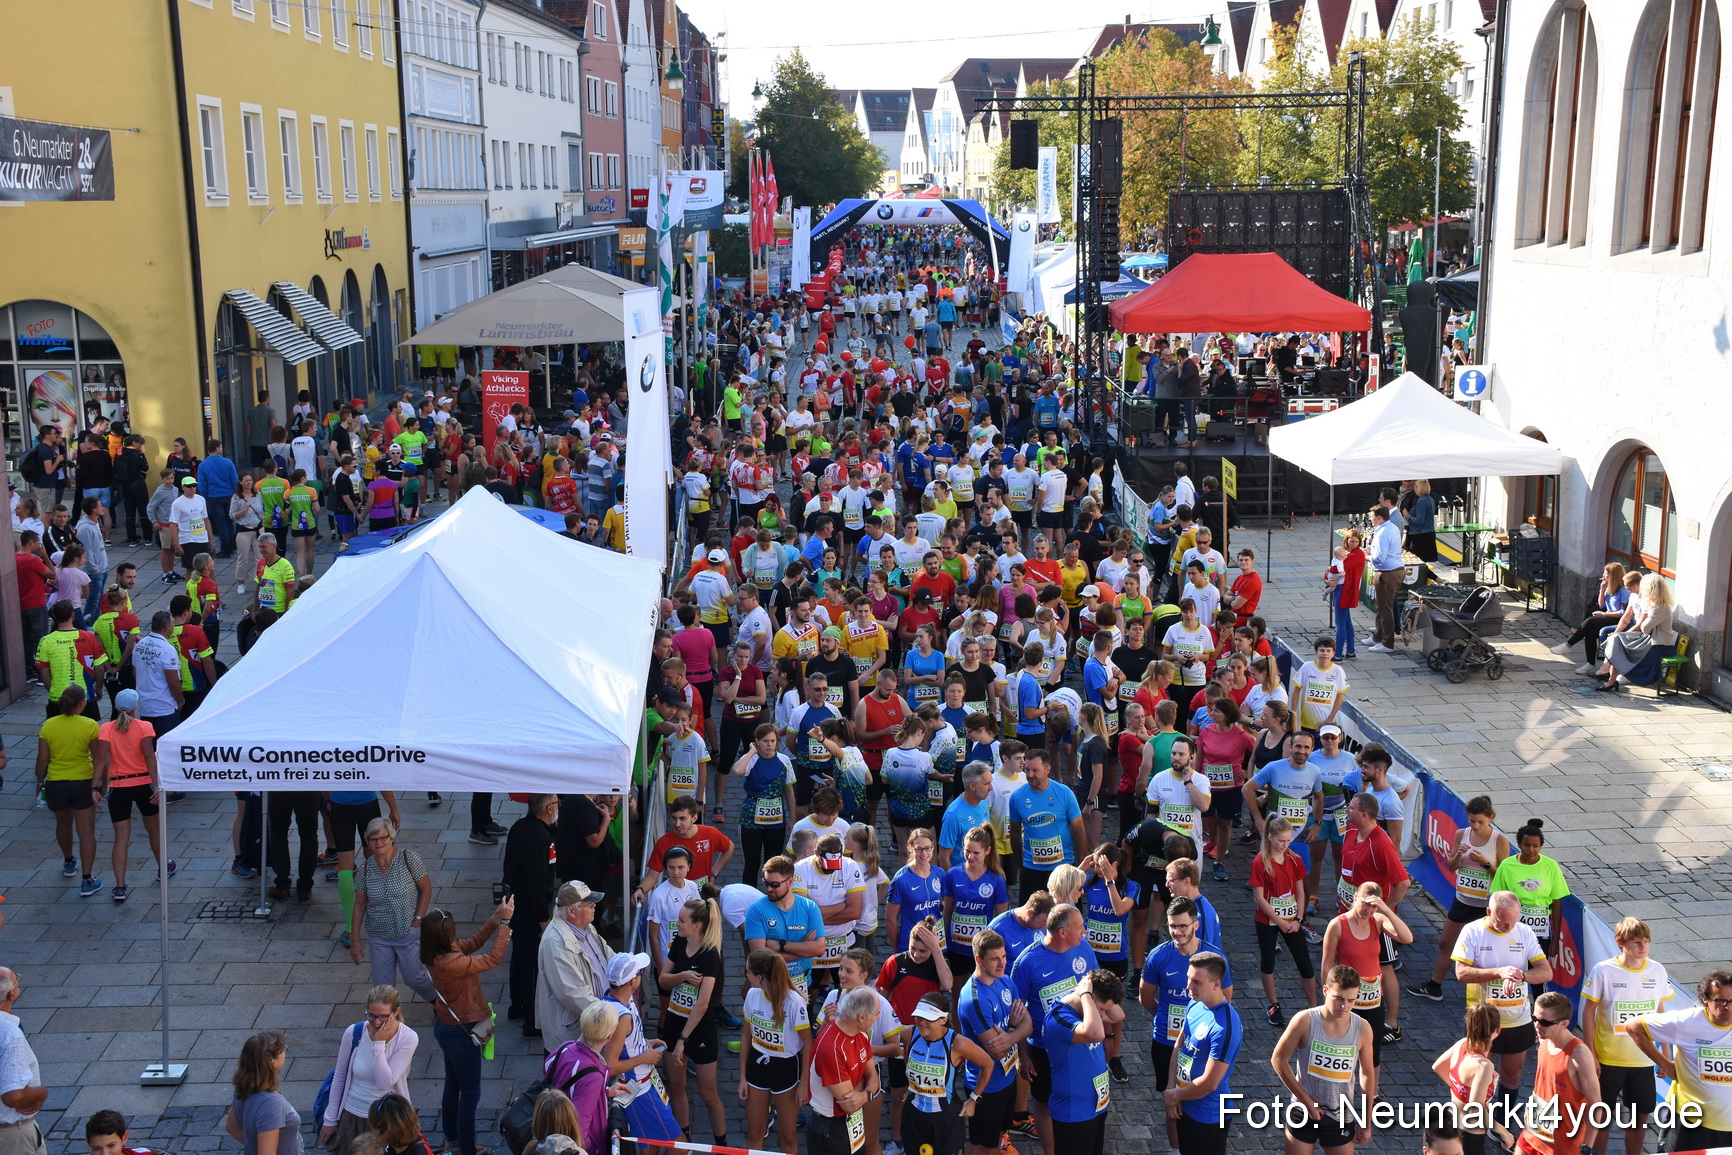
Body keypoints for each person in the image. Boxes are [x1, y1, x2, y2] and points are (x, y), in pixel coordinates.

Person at [423, 898, 514, 1155]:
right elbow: (493, 958)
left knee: (453, 1086)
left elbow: (474, 943)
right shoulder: (451, 962)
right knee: (470, 1094)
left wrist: (495, 918)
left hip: (446, 1028)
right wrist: (505, 923)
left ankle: (453, 1140)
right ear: (446, 935)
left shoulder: (437, 953)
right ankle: (465, 1148)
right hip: (460, 1033)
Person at [1451, 891, 1551, 1116]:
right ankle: (1474, 1119)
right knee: (1478, 1074)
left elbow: (1546, 972)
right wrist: (1498, 972)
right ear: (1489, 912)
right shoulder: (1472, 931)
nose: (1508, 928)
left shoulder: (1524, 932)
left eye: (1513, 921)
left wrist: (1521, 976)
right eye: (1503, 922)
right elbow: (1461, 973)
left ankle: (1502, 1120)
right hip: (1483, 1019)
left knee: (1513, 1076)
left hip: (1517, 1018)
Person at [1580, 918, 1671, 1155]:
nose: (1643, 946)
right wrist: (1590, 1051)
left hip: (1642, 1059)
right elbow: (1588, 1011)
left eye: (1647, 941)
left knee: (1640, 1116)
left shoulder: (1657, 970)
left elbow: (1661, 1013)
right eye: (1637, 942)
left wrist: (1665, 1054)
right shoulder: (1604, 970)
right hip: (1608, 1058)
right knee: (1602, 1115)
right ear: (1620, 943)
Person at [1411, 795, 1509, 1004]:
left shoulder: (1499, 840)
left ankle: (1487, 996)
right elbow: (1451, 866)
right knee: (1446, 942)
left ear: (1491, 818)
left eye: (1480, 822)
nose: (1475, 826)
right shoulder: (1461, 834)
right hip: (1463, 899)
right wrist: (1458, 856)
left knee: (1485, 951)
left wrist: (1484, 863)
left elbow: (1503, 876)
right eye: (1471, 821)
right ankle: (1434, 986)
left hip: (1485, 906)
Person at [1270, 964, 1376, 1155]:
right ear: (1326, 991)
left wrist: (1366, 1122)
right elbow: (1278, 1059)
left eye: (1351, 1000)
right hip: (1303, 1111)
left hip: (1341, 1115)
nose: (1344, 1006)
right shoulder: (1305, 1020)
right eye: (1339, 999)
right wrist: (1307, 1102)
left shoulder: (1363, 1028)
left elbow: (1367, 1073)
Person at [1627, 968, 1732, 1151]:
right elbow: (1633, 1026)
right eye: (1720, 1000)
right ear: (1705, 999)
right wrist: (1665, 1065)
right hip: (1690, 1122)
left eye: (1731, 1001)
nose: (1727, 1006)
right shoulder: (1685, 1022)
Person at [1321, 881, 1413, 1074]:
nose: (1368, 910)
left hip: (1372, 1001)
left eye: (1373, 906)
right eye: (1365, 903)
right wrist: (1327, 997)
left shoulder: (1378, 921)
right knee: (1343, 1050)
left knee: (1372, 1053)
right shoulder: (1338, 925)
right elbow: (1327, 964)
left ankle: (1372, 1096)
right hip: (1347, 999)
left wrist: (1386, 909)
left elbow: (1407, 938)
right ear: (1355, 897)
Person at [955, 928, 1032, 1155]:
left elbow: (1029, 1025)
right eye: (995, 959)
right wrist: (1014, 1030)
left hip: (1007, 1079)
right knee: (981, 1146)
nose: (1002, 964)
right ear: (979, 959)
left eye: (1004, 957)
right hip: (985, 1086)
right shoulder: (974, 998)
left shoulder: (1006, 982)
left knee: (998, 1139)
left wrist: (1007, 1035)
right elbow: (997, 1051)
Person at [317, 985, 419, 1153]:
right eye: (371, 1015)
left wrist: (378, 1044)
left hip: (386, 1121)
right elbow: (340, 1076)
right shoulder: (354, 1032)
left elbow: (384, 1082)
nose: (377, 1022)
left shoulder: (408, 1038)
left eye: (383, 1017)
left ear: (395, 1012)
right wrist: (330, 1119)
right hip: (352, 1116)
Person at [659, 897, 727, 1144]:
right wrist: (683, 976)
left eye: (681, 920)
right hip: (674, 1023)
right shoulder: (680, 942)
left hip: (698, 1030)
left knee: (708, 1094)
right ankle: (684, 1141)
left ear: (697, 925)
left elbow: (703, 1004)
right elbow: (663, 979)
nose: (677, 924)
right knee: (676, 1088)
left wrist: (682, 1040)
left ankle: (722, 1145)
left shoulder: (710, 954)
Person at [94, 688, 171, 902]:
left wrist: (94, 788)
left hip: (118, 787)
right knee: (154, 831)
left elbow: (101, 760)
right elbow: (149, 756)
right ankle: (163, 867)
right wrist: (158, 785)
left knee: (121, 838)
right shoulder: (145, 726)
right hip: (143, 783)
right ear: (136, 707)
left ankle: (120, 886)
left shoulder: (106, 728)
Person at [1162, 951, 1242, 1155]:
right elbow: (1179, 1046)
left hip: (1208, 1117)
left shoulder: (1225, 1027)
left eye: (1196, 982)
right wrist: (1172, 1088)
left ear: (1216, 984)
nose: (1188, 987)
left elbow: (1209, 1083)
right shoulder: (1195, 1004)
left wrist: (1175, 1095)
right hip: (1184, 1105)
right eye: (1188, 979)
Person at [349, 818, 436, 1003]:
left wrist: (417, 921)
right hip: (379, 935)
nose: (379, 843)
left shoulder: (409, 858)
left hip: (407, 931)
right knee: (383, 988)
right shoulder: (365, 869)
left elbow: (426, 889)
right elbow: (359, 906)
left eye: (383, 837)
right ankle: (387, 1021)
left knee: (415, 978)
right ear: (368, 842)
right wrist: (355, 940)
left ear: (391, 837)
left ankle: (439, 1003)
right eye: (373, 839)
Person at [901, 994, 996, 1155]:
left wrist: (974, 1099)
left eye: (928, 1019)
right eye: (919, 1017)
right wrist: (912, 1085)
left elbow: (988, 1064)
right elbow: (907, 1057)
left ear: (943, 1020)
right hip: (913, 1116)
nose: (922, 1023)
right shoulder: (908, 1034)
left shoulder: (958, 1044)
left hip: (945, 1120)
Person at [739, 950, 812, 1155]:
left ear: (760, 977)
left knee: (788, 1136)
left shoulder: (793, 1002)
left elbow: (808, 1043)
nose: (746, 975)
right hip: (757, 1065)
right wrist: (742, 1077)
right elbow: (746, 1036)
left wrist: (804, 1083)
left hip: (785, 1068)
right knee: (755, 1134)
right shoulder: (752, 995)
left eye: (748, 972)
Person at [36, 685, 106, 897]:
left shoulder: (48, 725)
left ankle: (68, 862)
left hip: (56, 783)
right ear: (82, 703)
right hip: (82, 782)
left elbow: (42, 759)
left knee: (63, 824)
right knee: (86, 832)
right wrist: (101, 782)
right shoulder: (90, 725)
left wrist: (40, 781)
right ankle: (87, 879)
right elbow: (98, 758)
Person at [1249, 816, 1318, 1028]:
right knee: (1268, 962)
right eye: (1281, 841)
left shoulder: (1294, 859)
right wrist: (1279, 921)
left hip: (1291, 920)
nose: (1286, 845)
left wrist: (1298, 919)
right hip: (1268, 920)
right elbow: (1259, 898)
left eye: (1288, 841)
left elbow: (1299, 891)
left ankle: (1313, 1006)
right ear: (1270, 837)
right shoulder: (1260, 862)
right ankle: (1273, 1004)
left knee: (1305, 963)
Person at [505, 794, 562, 1038]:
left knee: (519, 957)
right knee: (532, 963)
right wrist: (543, 919)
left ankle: (516, 1005)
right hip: (530, 909)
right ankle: (531, 1019)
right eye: (557, 803)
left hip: (517, 905)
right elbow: (538, 883)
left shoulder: (520, 827)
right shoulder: (540, 837)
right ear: (549, 808)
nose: (559, 807)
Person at [1513, 992, 1598, 1155]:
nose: (1537, 1026)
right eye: (1535, 1018)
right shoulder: (1544, 1042)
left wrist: (1586, 1147)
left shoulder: (1579, 1054)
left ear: (1564, 1023)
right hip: (1532, 1133)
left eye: (1544, 1022)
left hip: (1562, 1146)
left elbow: (1596, 1106)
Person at [1488, 819, 1570, 984]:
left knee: (1538, 975)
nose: (1531, 850)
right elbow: (1496, 899)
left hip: (1541, 930)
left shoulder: (1551, 866)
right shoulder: (1507, 866)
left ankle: (1537, 1007)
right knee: (1513, 970)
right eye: (1526, 845)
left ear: (1540, 846)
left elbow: (1557, 902)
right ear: (1518, 844)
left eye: (1535, 846)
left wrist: (1554, 940)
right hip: (1512, 929)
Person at [537, 881, 612, 1054]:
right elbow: (574, 994)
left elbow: (609, 957)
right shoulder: (556, 943)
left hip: (593, 1028)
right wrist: (612, 1016)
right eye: (588, 904)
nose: (594, 906)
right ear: (571, 911)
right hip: (573, 1040)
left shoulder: (585, 926)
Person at [808, 986, 885, 1155]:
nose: (878, 1018)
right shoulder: (832, 1048)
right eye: (877, 1014)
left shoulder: (861, 1034)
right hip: (831, 1128)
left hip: (853, 1124)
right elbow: (849, 1104)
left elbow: (873, 1076)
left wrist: (863, 1094)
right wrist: (868, 1091)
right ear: (862, 1017)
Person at [1432, 1003, 1513, 1155]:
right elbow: (1476, 1109)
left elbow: (1438, 1066)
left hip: (1451, 1121)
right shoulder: (1483, 1066)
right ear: (1497, 1030)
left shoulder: (1461, 1044)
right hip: (1469, 1135)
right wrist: (1503, 1132)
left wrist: (1460, 1090)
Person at [1008, 749, 1084, 902]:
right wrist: (1020, 865)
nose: (1029, 775)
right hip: (1033, 870)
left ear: (1048, 770)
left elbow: (1079, 831)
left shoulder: (1064, 793)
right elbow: (1015, 833)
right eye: (1027, 770)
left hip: (1063, 869)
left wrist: (1080, 868)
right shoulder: (1017, 797)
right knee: (1030, 919)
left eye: (1035, 771)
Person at [225, 1030, 302, 1155]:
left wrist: (254, 1145)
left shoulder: (244, 1087)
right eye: (282, 1050)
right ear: (272, 1061)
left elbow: (232, 1127)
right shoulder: (272, 1104)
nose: (285, 1054)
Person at [0, 968, 46, 1155]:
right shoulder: (9, 1034)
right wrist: (40, 1093)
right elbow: (14, 1097)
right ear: (12, 993)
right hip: (10, 1136)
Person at [1365, 507, 1403, 653]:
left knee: (1385, 609)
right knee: (1382, 606)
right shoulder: (1391, 527)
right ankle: (1378, 637)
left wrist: (1367, 557)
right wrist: (1372, 551)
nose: (1371, 519)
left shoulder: (1382, 532)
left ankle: (1387, 643)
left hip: (1388, 572)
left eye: (1372, 516)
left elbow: (1379, 558)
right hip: (1395, 570)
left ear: (1379, 517)